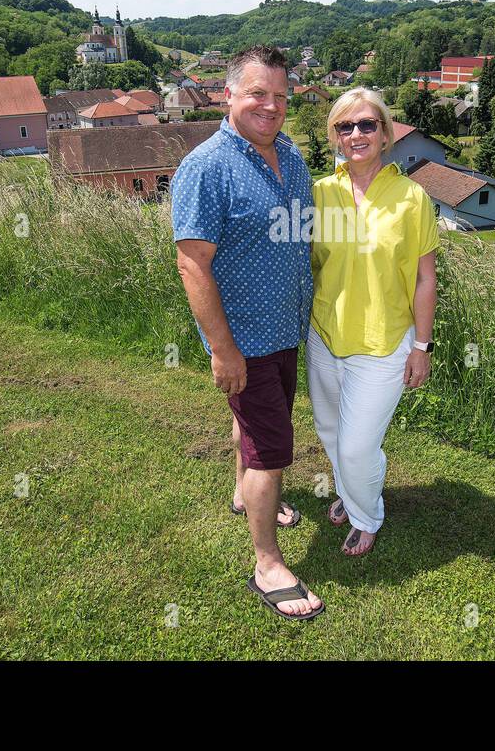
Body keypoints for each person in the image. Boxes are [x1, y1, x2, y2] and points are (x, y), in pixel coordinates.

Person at [170, 45, 324, 620]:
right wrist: (223, 349)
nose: (272, 105)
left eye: (281, 96)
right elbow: (193, 264)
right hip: (246, 341)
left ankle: (242, 495)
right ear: (229, 93)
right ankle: (267, 564)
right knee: (271, 450)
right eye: (259, 93)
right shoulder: (207, 167)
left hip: (287, 329)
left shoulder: (290, 154)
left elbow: (304, 231)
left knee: (253, 429)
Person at [306, 87, 439, 557]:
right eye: (345, 126)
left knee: (358, 448)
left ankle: (367, 515)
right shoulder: (319, 193)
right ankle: (348, 491)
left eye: (367, 124)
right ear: (335, 137)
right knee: (330, 433)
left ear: (385, 133)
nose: (356, 134)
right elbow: (308, 264)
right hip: (324, 337)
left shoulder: (412, 197)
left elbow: (425, 279)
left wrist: (421, 347)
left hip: (384, 345)